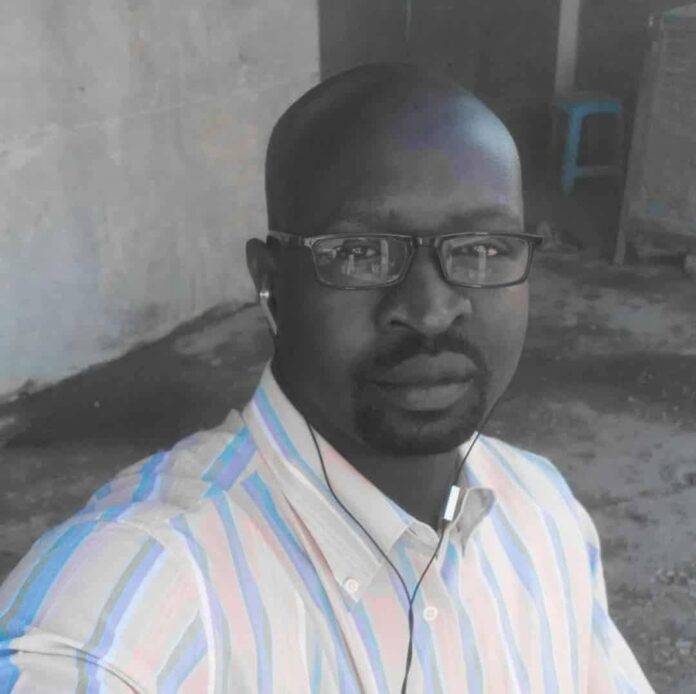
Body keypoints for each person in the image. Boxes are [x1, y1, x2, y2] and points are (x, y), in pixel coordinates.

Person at [0, 64, 653, 693]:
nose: (431, 310)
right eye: (361, 253)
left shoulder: (543, 511)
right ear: (271, 283)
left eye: (483, 249)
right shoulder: (150, 585)